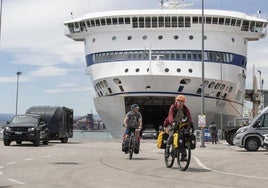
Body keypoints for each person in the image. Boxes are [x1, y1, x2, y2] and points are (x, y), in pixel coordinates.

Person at [165, 95, 194, 160]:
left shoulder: (185, 108)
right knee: (171, 135)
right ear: (176, 101)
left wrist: (191, 124)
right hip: (171, 124)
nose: (180, 102)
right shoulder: (173, 107)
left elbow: (189, 117)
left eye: (182, 101)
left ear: (184, 102)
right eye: (179, 101)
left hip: (181, 125)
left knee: (183, 137)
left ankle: (184, 155)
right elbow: (170, 115)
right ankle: (167, 148)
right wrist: (172, 122)